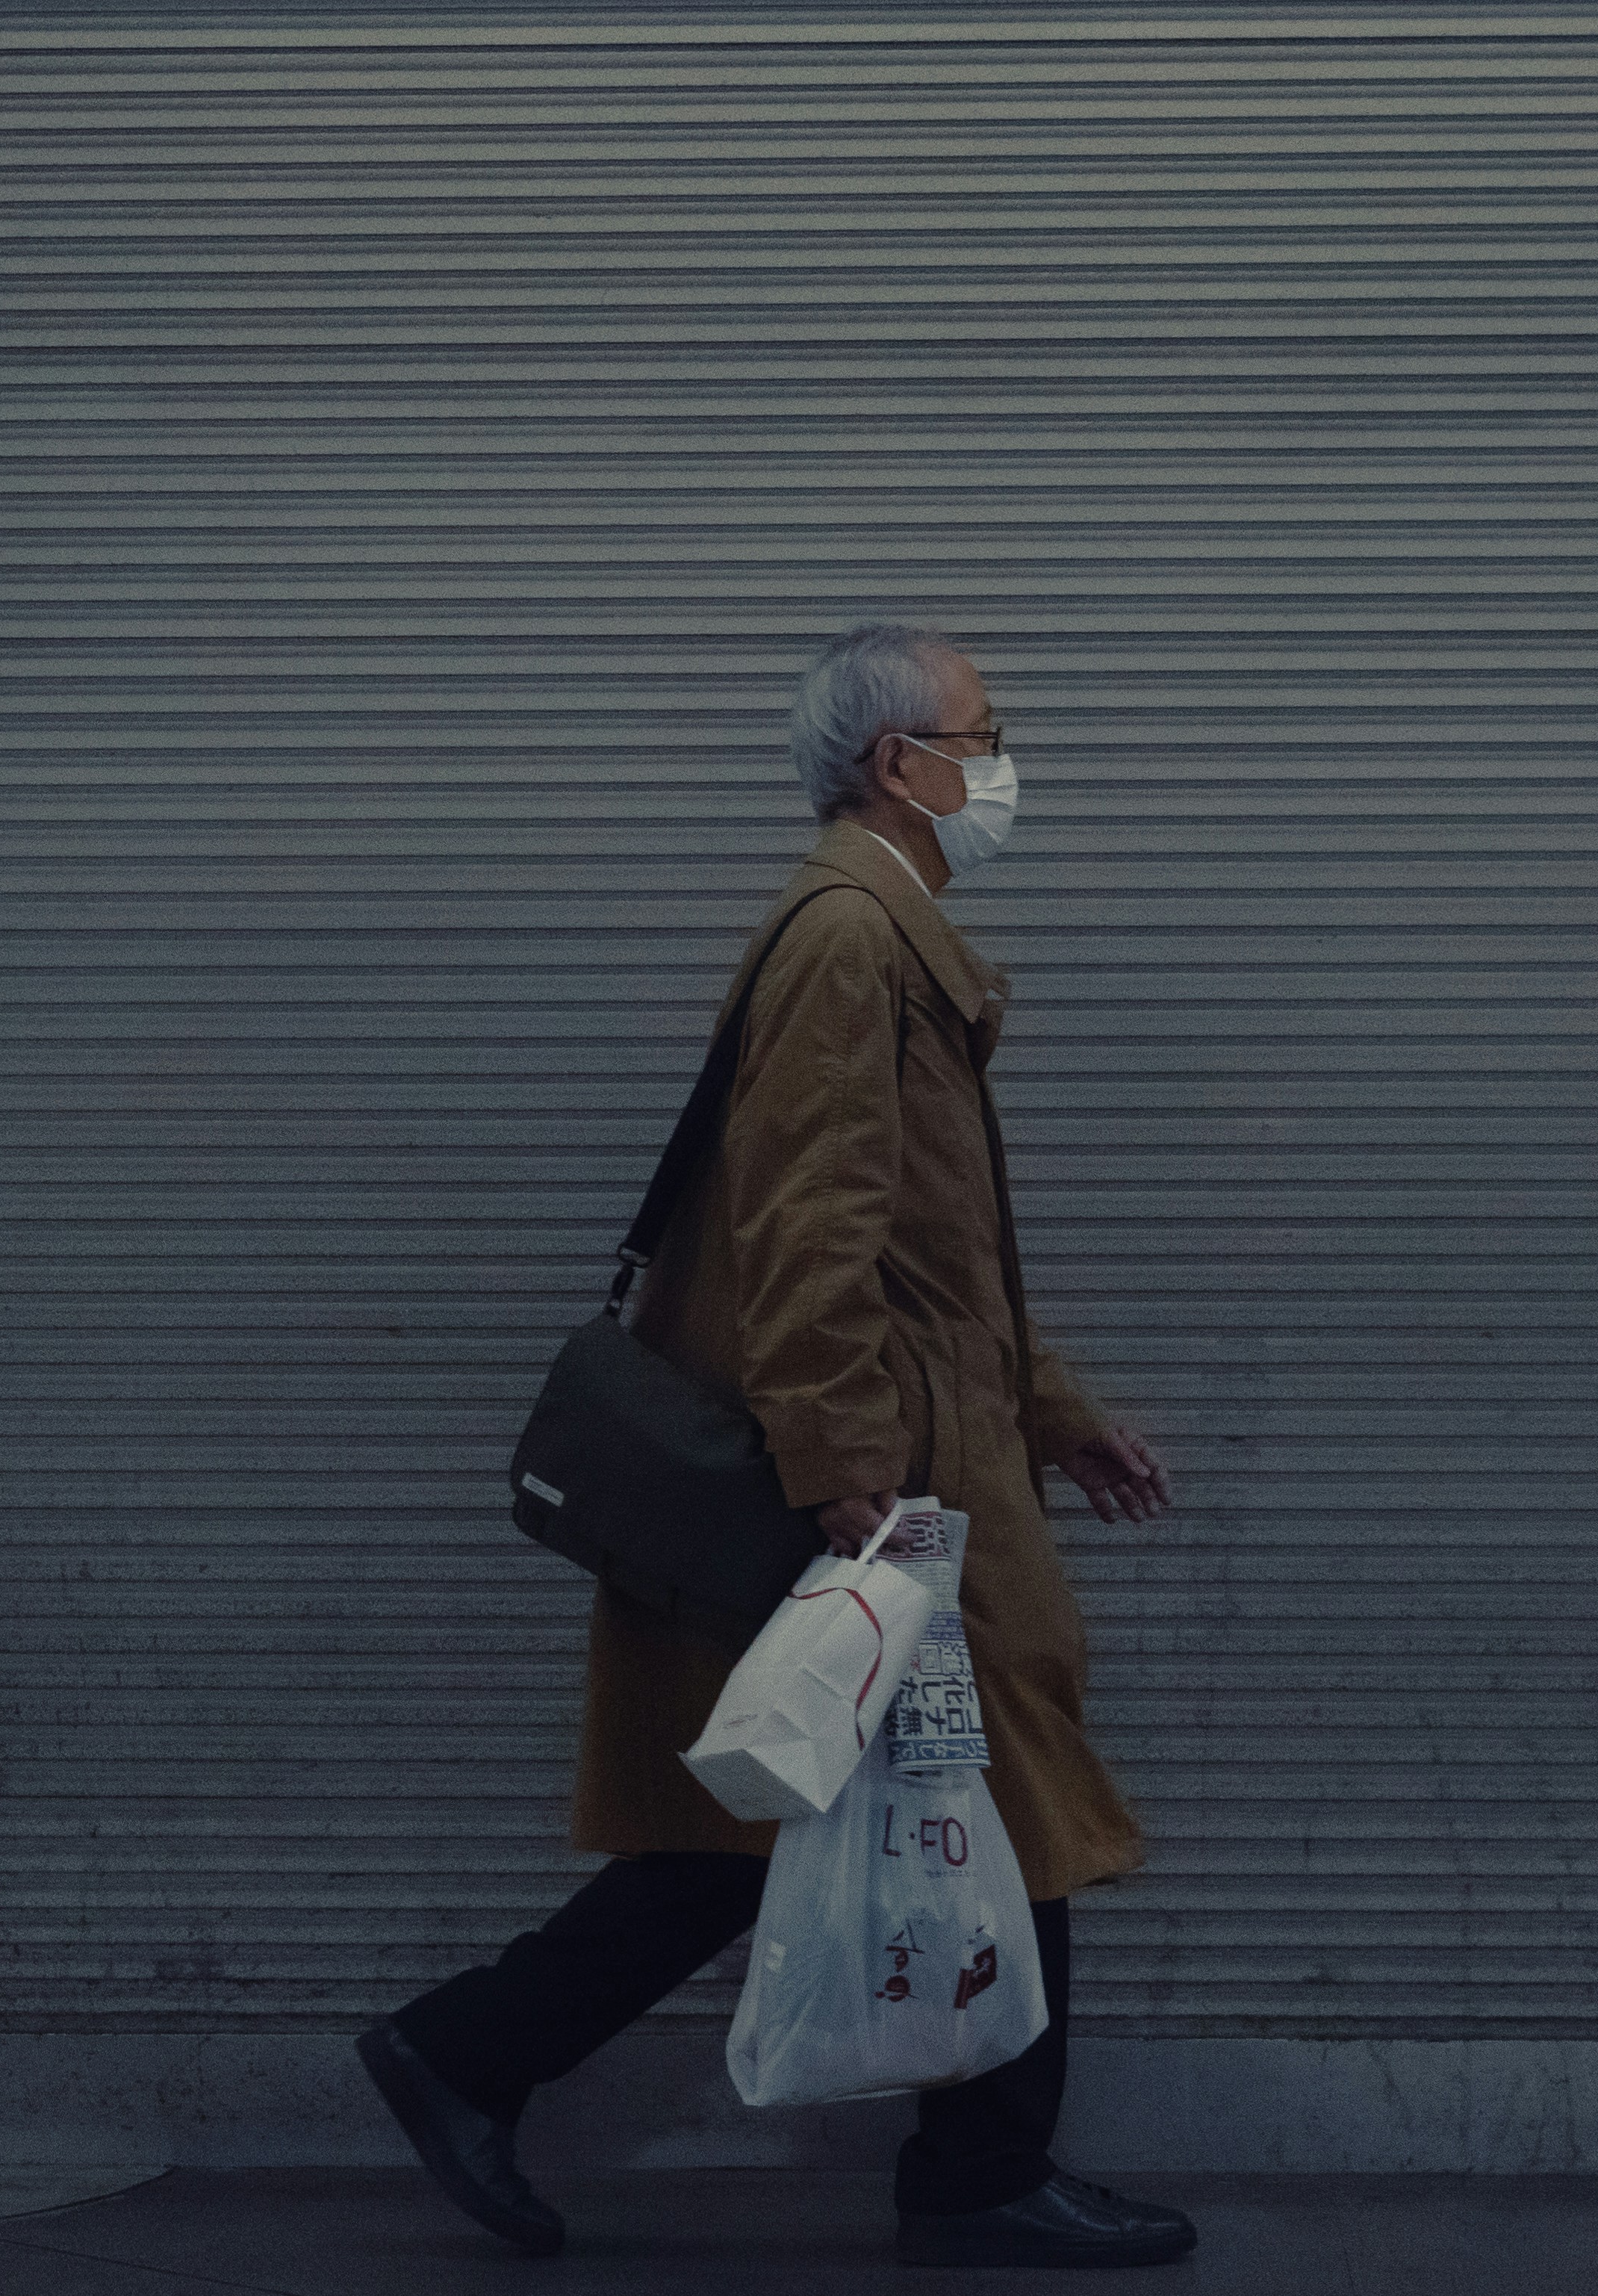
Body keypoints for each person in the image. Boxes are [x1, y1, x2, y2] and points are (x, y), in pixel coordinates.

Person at [358, 622, 1195, 2269]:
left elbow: (942, 1258)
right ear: (902, 764)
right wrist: (840, 1473)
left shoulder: (881, 932)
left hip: (929, 1452)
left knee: (840, 1805)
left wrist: (1062, 1411)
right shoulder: (849, 940)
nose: (1005, 759)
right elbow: (812, 1232)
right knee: (978, 1780)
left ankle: (471, 2053)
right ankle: (976, 2170)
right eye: (986, 728)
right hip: (899, 1485)